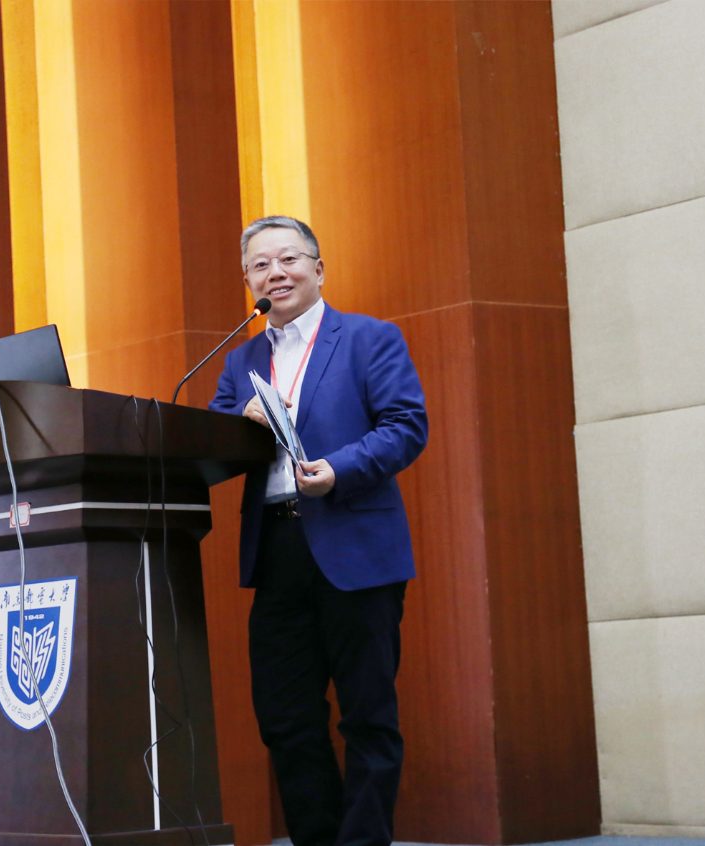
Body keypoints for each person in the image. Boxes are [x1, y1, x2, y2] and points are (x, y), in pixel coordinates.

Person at [208, 216, 428, 846]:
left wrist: (339, 470)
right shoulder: (241, 360)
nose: (275, 273)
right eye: (259, 266)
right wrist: (241, 420)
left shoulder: (368, 338)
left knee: (367, 715)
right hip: (278, 549)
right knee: (285, 718)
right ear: (248, 280)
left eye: (288, 259)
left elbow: (405, 426)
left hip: (355, 542)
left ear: (318, 268)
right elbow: (216, 440)